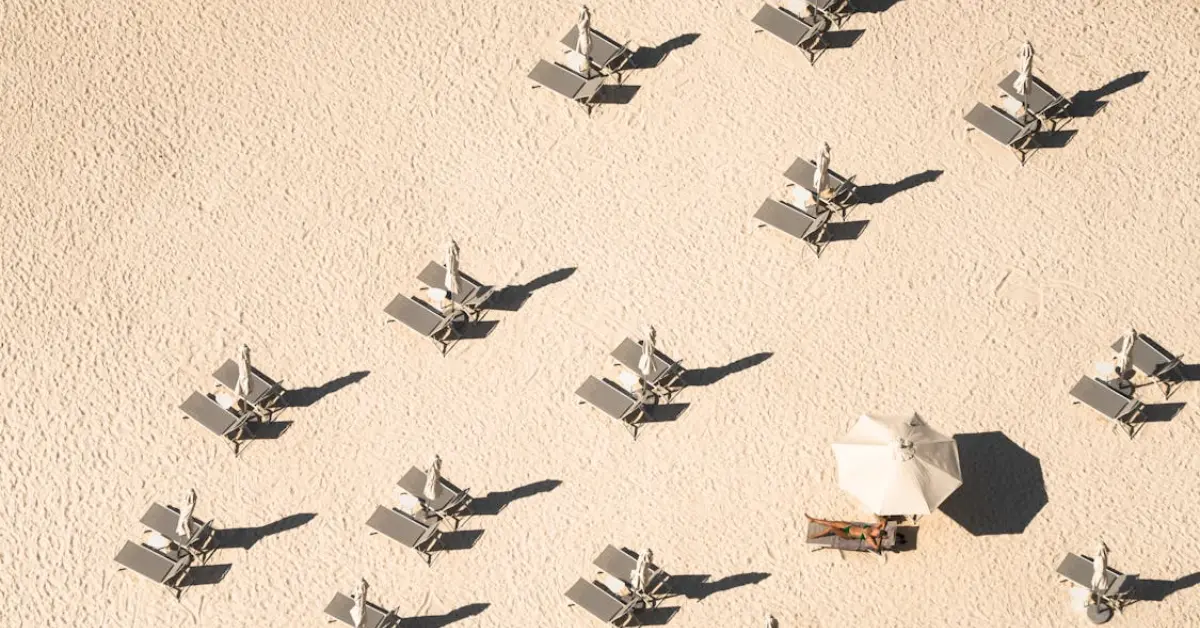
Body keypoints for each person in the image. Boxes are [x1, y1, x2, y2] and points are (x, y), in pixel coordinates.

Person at [805, 514, 888, 552]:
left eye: (877, 533)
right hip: (849, 527)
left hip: (848, 535)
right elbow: (883, 521)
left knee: (831, 528)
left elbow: (876, 547)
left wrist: (880, 538)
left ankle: (816, 536)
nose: (877, 530)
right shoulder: (873, 528)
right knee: (832, 523)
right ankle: (813, 520)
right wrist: (883, 529)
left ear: (876, 535)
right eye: (878, 530)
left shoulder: (869, 538)